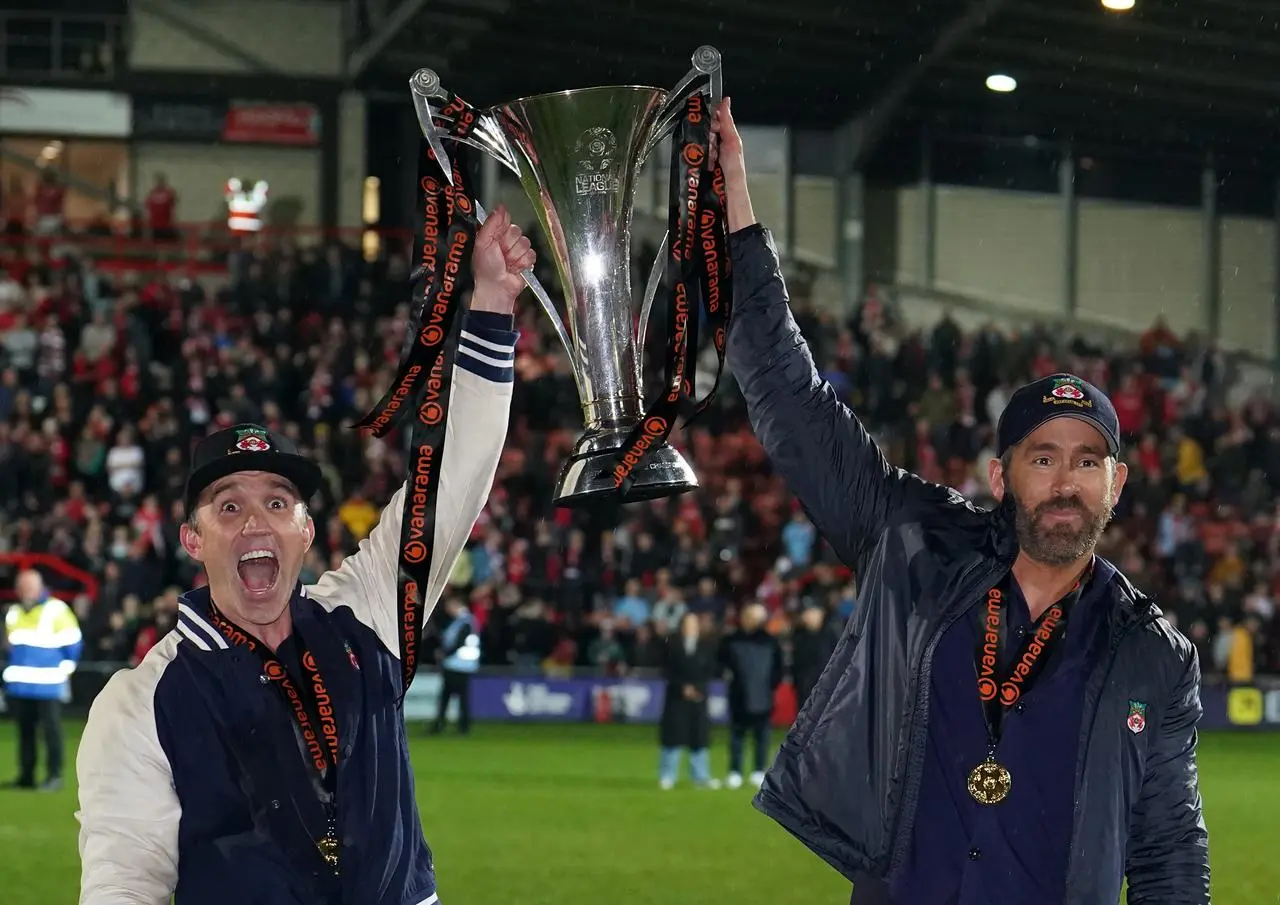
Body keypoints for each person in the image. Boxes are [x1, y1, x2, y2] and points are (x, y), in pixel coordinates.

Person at [712, 97, 1210, 905]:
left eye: (1088, 461)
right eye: (1042, 456)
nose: (1065, 480)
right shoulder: (915, 545)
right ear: (999, 473)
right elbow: (792, 402)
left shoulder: (1155, 656)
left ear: (1117, 483)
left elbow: (1169, 853)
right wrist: (733, 201)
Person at [74, 205, 535, 905]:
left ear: (307, 531)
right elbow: (124, 885)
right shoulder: (140, 703)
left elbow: (451, 487)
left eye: (278, 502)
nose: (256, 520)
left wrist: (493, 305)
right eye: (228, 505)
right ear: (193, 539)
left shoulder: (365, 617)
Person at [2, 568, 83, 791]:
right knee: (25, 731)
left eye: (29, 586)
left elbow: (74, 642)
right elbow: (12, 646)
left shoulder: (56, 610)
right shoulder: (15, 611)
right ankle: (26, 776)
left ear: (40, 587)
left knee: (51, 732)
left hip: (49, 683)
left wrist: (65, 670)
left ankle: (54, 776)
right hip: (22, 685)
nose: (24, 591)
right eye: (21, 587)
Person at [717, 602, 783, 790]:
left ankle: (759, 770)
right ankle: (735, 771)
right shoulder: (731, 640)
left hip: (763, 695)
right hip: (739, 694)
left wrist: (769, 686)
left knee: (762, 736)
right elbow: (721, 663)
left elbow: (777, 669)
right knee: (737, 735)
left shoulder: (770, 641)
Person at [657, 611, 720, 790]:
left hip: (699, 698)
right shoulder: (672, 646)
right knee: (673, 736)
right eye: (687, 624)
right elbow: (667, 671)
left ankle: (700, 777)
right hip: (676, 698)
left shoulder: (707, 646)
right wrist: (682, 687)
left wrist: (697, 689)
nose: (690, 628)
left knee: (699, 736)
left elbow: (710, 670)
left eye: (693, 624)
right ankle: (667, 775)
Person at [431, 595, 480, 735]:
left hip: (458, 665)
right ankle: (458, 726)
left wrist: (444, 654)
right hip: (459, 665)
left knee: (449, 697)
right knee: (453, 697)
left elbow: (458, 643)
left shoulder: (464, 622)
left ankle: (445, 726)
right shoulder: (464, 621)